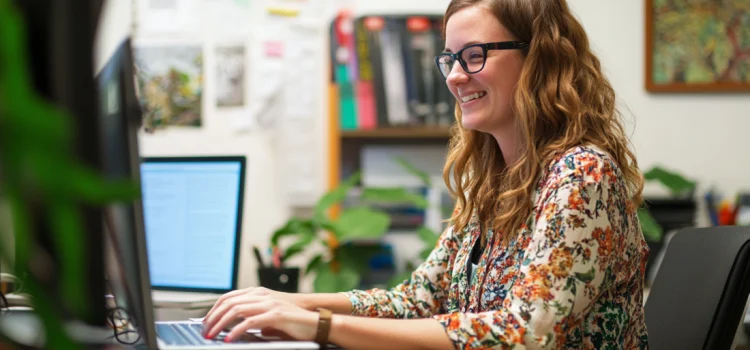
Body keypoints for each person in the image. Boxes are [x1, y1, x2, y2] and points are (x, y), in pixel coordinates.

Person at [202, 0, 650, 348]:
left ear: (541, 58)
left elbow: (524, 334)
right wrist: (293, 303)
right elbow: (418, 300)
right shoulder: (493, 183)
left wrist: (318, 326)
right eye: (450, 58)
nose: (455, 76)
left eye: (474, 55)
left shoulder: (582, 175)